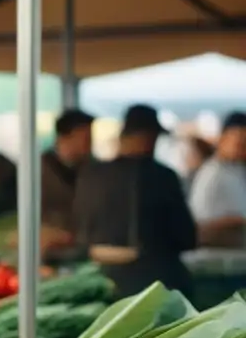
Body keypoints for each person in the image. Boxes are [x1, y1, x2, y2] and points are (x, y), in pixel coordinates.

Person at [73, 104, 196, 298]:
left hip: (98, 278)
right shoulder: (162, 177)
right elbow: (186, 236)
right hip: (154, 283)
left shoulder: (90, 175)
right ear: (148, 137)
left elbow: (79, 229)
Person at [189, 112, 246, 248]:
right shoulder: (212, 174)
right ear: (223, 138)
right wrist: (238, 221)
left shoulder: (237, 168)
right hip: (218, 254)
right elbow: (200, 223)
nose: (243, 148)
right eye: (239, 142)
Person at [42, 109, 95, 233]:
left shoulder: (92, 169)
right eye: (86, 139)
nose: (90, 144)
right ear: (64, 138)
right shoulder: (38, 172)